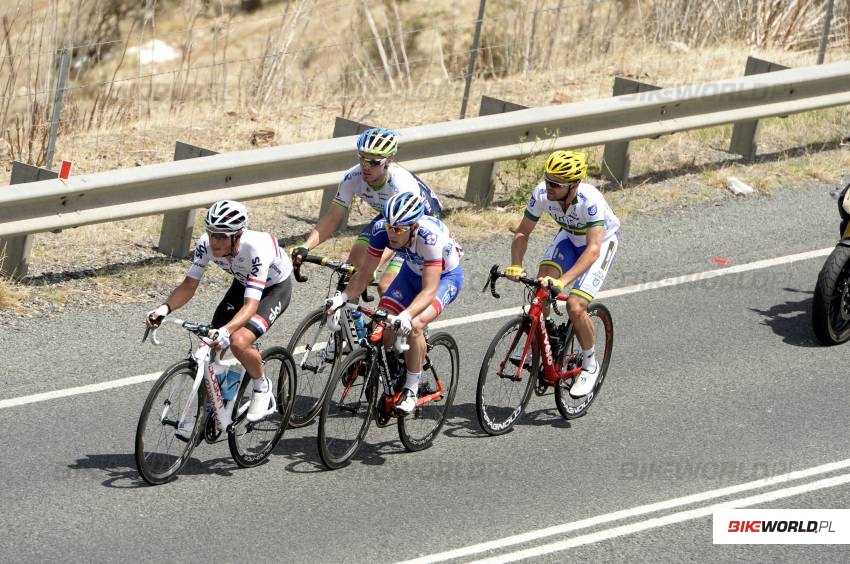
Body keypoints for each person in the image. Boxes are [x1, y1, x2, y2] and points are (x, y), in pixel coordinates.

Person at [145, 200, 293, 434]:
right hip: (243, 283)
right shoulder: (206, 244)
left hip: (273, 290)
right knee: (211, 344)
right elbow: (188, 285)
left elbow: (251, 305)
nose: (214, 241)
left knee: (238, 341)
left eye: (222, 236)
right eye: (211, 233)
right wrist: (163, 309)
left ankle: (262, 385)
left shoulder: (256, 249)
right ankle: (213, 410)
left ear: (237, 236)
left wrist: (228, 330)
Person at [325, 192, 463, 414]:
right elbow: (364, 274)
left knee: (415, 325)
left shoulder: (430, 239)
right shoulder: (382, 230)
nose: (392, 232)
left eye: (399, 229)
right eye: (390, 226)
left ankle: (411, 387)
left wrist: (406, 316)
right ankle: (394, 370)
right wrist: (341, 298)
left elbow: (428, 291)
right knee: (384, 324)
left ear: (414, 227)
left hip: (445, 278)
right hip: (410, 273)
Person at [506, 150, 620, 398]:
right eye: (547, 180)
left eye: (556, 184)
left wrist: (563, 281)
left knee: (576, 306)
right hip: (569, 237)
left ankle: (590, 364)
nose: (549, 187)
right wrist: (516, 264)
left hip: (600, 244)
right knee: (541, 285)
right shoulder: (541, 193)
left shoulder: (590, 200)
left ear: (574, 185)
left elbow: (592, 250)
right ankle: (544, 338)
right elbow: (523, 231)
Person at [290, 127, 442, 295]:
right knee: (352, 270)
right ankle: (347, 317)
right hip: (391, 217)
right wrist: (306, 246)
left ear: (389, 160)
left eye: (374, 162)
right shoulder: (353, 177)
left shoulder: (401, 185)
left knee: (386, 286)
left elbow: (397, 233)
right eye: (362, 159)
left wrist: (372, 266)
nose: (366, 166)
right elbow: (333, 217)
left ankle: (406, 319)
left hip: (414, 224)